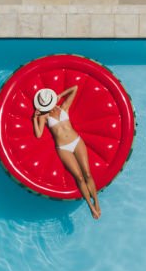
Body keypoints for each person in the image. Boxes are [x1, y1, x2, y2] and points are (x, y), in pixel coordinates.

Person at [32, 86, 101, 219]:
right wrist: (35, 119)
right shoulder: (43, 116)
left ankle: (96, 202)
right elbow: (39, 134)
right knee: (79, 177)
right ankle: (90, 206)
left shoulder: (63, 107)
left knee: (87, 173)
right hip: (63, 148)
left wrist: (60, 95)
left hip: (76, 141)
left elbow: (75, 88)